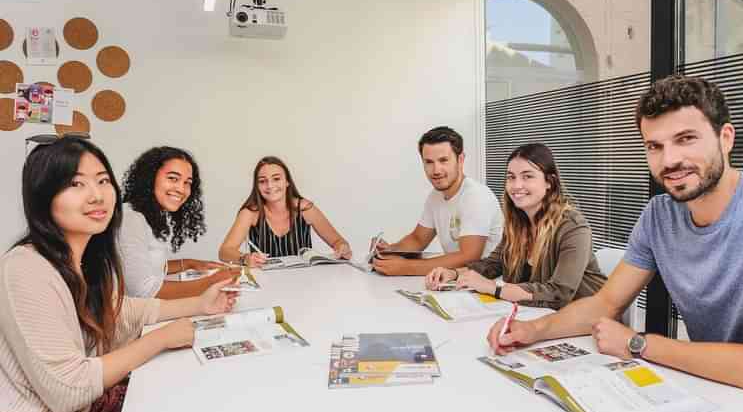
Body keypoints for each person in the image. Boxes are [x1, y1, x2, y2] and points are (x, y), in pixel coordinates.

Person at [486, 75, 743, 401]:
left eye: (686, 139)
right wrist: (532, 330)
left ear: (726, 138)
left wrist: (639, 343)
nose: (669, 160)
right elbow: (606, 303)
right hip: (719, 388)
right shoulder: (659, 214)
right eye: (655, 146)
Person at [0, 137, 238, 412]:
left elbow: (122, 309)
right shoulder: (25, 266)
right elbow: (67, 390)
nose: (96, 195)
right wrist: (162, 338)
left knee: (198, 405)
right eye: (75, 184)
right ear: (43, 197)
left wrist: (200, 305)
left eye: (102, 181)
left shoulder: (83, 258)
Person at [426, 143, 605, 308]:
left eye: (527, 176)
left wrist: (493, 288)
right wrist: (453, 274)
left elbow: (560, 292)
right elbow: (493, 264)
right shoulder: (518, 224)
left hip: (587, 321)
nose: (517, 185)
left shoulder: (573, 227)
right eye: (511, 177)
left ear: (549, 182)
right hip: (538, 316)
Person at [373, 126, 503, 276]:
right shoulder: (435, 196)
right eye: (429, 162)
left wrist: (405, 267)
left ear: (460, 160)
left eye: (443, 160)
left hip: (486, 283)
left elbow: (469, 257)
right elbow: (417, 239)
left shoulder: (476, 196)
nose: (436, 170)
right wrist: (389, 251)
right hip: (455, 281)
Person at [118, 146, 238, 299]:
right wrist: (211, 282)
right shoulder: (131, 218)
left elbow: (146, 267)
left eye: (187, 182)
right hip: (132, 319)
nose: (181, 189)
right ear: (150, 177)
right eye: (173, 178)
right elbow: (143, 291)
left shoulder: (154, 214)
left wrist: (188, 263)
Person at [219, 156, 352, 266]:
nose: (270, 185)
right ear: (257, 186)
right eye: (262, 181)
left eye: (276, 179)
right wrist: (245, 258)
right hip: (266, 282)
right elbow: (224, 251)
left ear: (287, 182)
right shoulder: (251, 212)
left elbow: (338, 242)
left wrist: (342, 248)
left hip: (305, 280)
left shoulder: (305, 208)